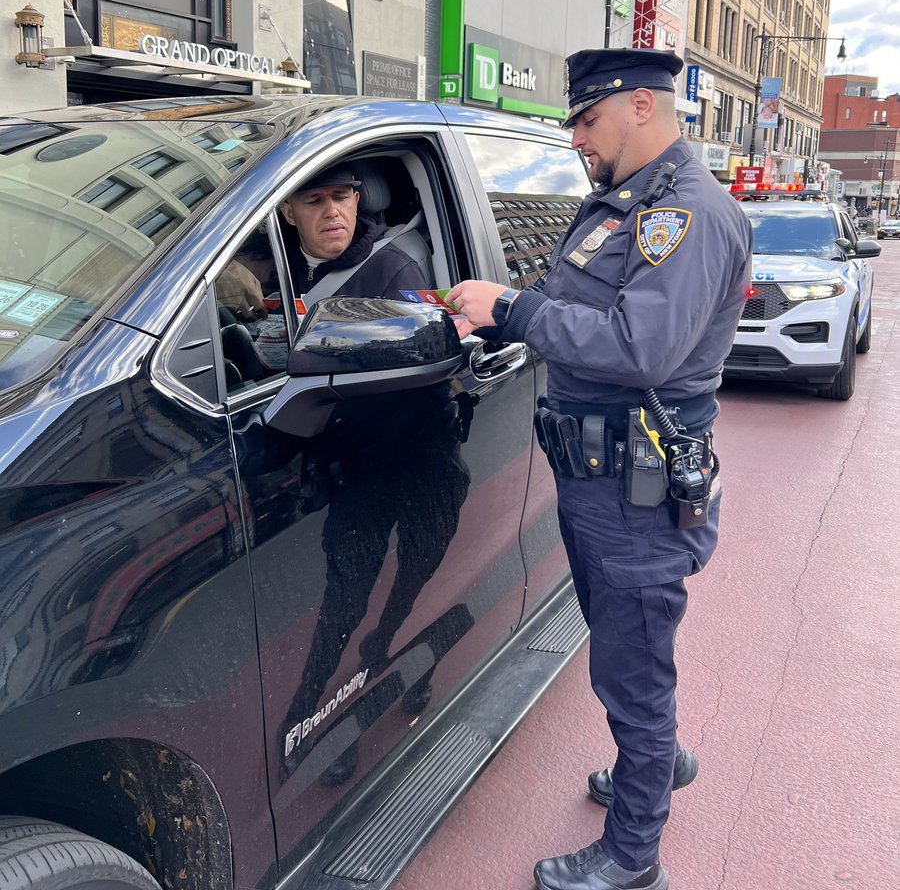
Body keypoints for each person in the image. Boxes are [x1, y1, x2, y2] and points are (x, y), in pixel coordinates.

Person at [447, 49, 753, 890]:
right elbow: (579, 304)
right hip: (600, 478)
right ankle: (658, 763)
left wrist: (512, 308)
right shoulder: (624, 205)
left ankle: (633, 851)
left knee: (631, 663)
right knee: (628, 643)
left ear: (642, 108)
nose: (576, 136)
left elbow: (638, 346)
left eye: (587, 118)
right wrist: (503, 319)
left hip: (636, 486)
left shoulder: (685, 214)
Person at [278, 163, 425, 299]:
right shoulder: (274, 264)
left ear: (355, 203)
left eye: (340, 198)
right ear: (290, 214)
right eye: (314, 201)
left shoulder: (393, 270)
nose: (332, 212)